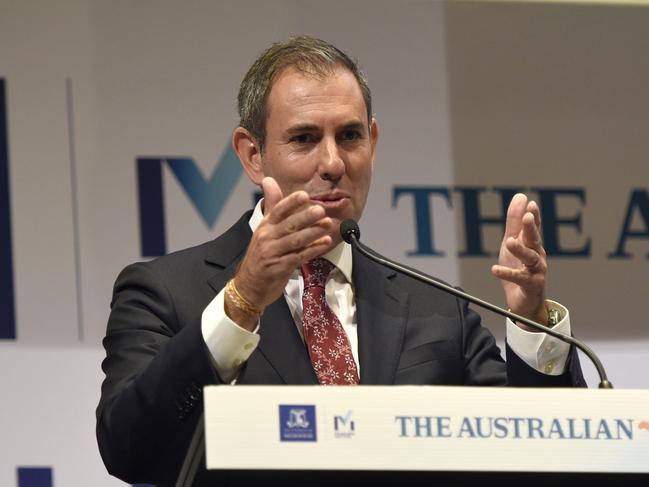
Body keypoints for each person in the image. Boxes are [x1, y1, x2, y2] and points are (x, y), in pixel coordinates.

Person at [96, 36, 585, 485]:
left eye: (350, 136)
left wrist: (530, 325)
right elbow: (130, 450)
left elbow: (540, 460)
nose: (333, 163)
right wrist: (241, 301)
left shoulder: (437, 308)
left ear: (372, 141)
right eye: (304, 138)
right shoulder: (164, 291)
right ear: (252, 154)